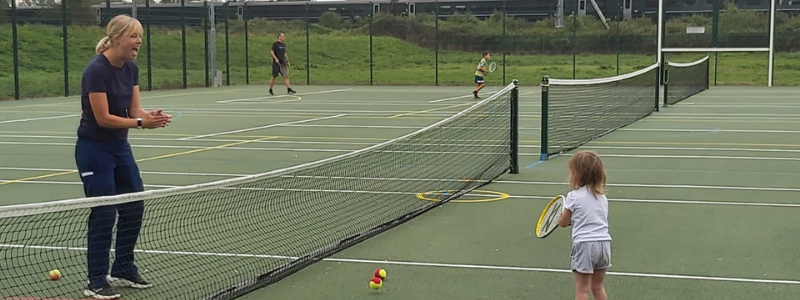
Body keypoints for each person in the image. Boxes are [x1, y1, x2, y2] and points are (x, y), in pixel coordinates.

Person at [76, 14, 171, 299]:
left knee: (133, 206)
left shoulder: (131, 68)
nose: (138, 41)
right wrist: (141, 124)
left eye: (140, 36)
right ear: (116, 37)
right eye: (133, 35)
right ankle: (96, 280)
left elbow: (134, 110)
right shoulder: (96, 70)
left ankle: (123, 267)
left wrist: (148, 115)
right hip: (94, 149)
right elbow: (103, 118)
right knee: (104, 212)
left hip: (120, 148)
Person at [558, 150, 612, 300]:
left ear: (578, 174)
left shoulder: (573, 196)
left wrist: (565, 221)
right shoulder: (602, 197)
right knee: (598, 287)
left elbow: (563, 222)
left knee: (582, 290)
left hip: (585, 244)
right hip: (604, 244)